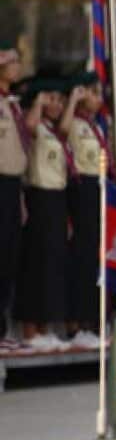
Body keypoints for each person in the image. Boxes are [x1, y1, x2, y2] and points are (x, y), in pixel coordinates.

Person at [15, 77, 71, 351]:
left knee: (52, 263)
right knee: (36, 263)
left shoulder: (54, 130)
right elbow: (29, 126)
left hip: (56, 197)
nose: (56, 105)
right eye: (52, 99)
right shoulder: (32, 122)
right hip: (38, 195)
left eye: (60, 100)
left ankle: (45, 328)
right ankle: (30, 329)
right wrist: (37, 100)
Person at [63, 73, 108, 348]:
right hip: (80, 186)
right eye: (93, 92)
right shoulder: (74, 123)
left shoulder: (95, 126)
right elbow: (63, 130)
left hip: (97, 186)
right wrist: (73, 100)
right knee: (80, 255)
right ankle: (75, 323)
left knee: (94, 254)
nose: (98, 98)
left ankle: (91, 321)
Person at [0, 42, 29, 347]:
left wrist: (19, 194)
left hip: (11, 185)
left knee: (9, 257)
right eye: (13, 61)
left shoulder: (12, 102)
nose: (18, 67)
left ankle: (2, 330)